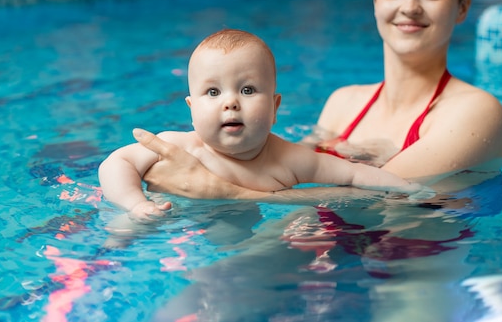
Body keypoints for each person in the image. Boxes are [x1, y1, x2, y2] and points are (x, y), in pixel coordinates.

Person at [134, 0, 502, 199]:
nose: (409, 6)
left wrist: (216, 188)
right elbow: (274, 169)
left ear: (462, 7)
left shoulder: (474, 112)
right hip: (316, 245)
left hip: (411, 262)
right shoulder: (343, 103)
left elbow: (376, 198)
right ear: (377, 0)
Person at [98, 29, 424, 220]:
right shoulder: (178, 147)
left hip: (242, 237)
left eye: (248, 89)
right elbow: (116, 163)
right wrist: (135, 205)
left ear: (274, 107)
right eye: (213, 92)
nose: (231, 102)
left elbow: (353, 172)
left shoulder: (287, 159)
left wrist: (410, 190)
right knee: (123, 230)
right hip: (168, 226)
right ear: (191, 109)